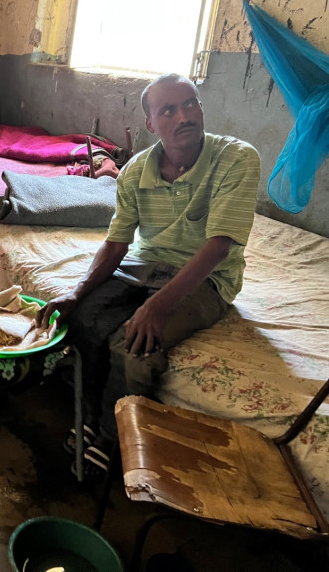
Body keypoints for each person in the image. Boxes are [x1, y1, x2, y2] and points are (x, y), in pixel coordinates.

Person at [38, 73, 261, 478]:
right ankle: (90, 414)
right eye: (168, 110)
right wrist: (77, 291)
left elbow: (218, 246)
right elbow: (117, 243)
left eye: (191, 104)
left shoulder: (236, 159)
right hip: (144, 263)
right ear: (151, 123)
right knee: (82, 320)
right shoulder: (136, 171)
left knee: (135, 348)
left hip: (207, 277)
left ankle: (113, 439)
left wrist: (156, 307)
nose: (184, 116)